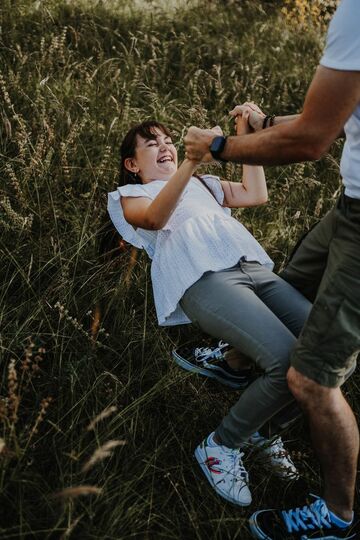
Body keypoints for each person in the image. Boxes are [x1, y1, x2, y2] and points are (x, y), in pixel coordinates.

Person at [184, 1, 360, 538]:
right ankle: (238, 365)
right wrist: (267, 127)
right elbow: (326, 121)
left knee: (309, 375)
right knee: (290, 283)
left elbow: (310, 142)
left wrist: (218, 147)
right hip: (351, 206)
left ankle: (336, 515)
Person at [108, 114, 312, 508]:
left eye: (168, 140)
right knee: (286, 358)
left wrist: (245, 137)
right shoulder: (132, 195)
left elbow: (256, 194)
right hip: (202, 278)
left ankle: (263, 431)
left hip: (250, 267)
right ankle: (221, 445)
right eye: (152, 144)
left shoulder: (205, 184)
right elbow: (153, 219)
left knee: (323, 347)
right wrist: (190, 160)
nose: (164, 146)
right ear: (132, 164)